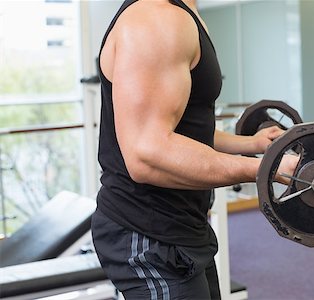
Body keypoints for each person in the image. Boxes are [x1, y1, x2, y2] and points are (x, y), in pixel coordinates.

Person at [90, 0, 298, 299]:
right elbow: (148, 154)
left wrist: (252, 144)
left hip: (183, 225)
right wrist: (266, 169)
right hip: (147, 230)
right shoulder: (158, 19)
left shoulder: (184, 12)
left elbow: (184, 130)